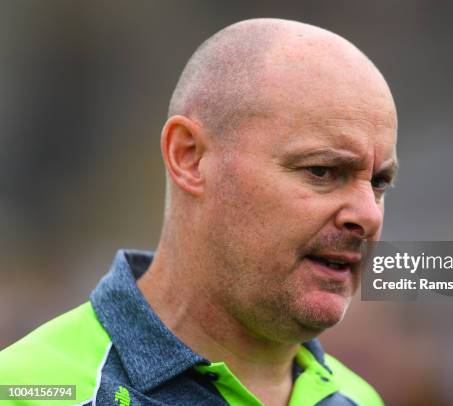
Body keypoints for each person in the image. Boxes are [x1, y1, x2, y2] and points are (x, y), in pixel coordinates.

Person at [0, 18, 398, 405]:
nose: (368, 215)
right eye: (321, 171)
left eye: (379, 182)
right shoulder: (28, 390)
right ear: (189, 158)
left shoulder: (359, 398)